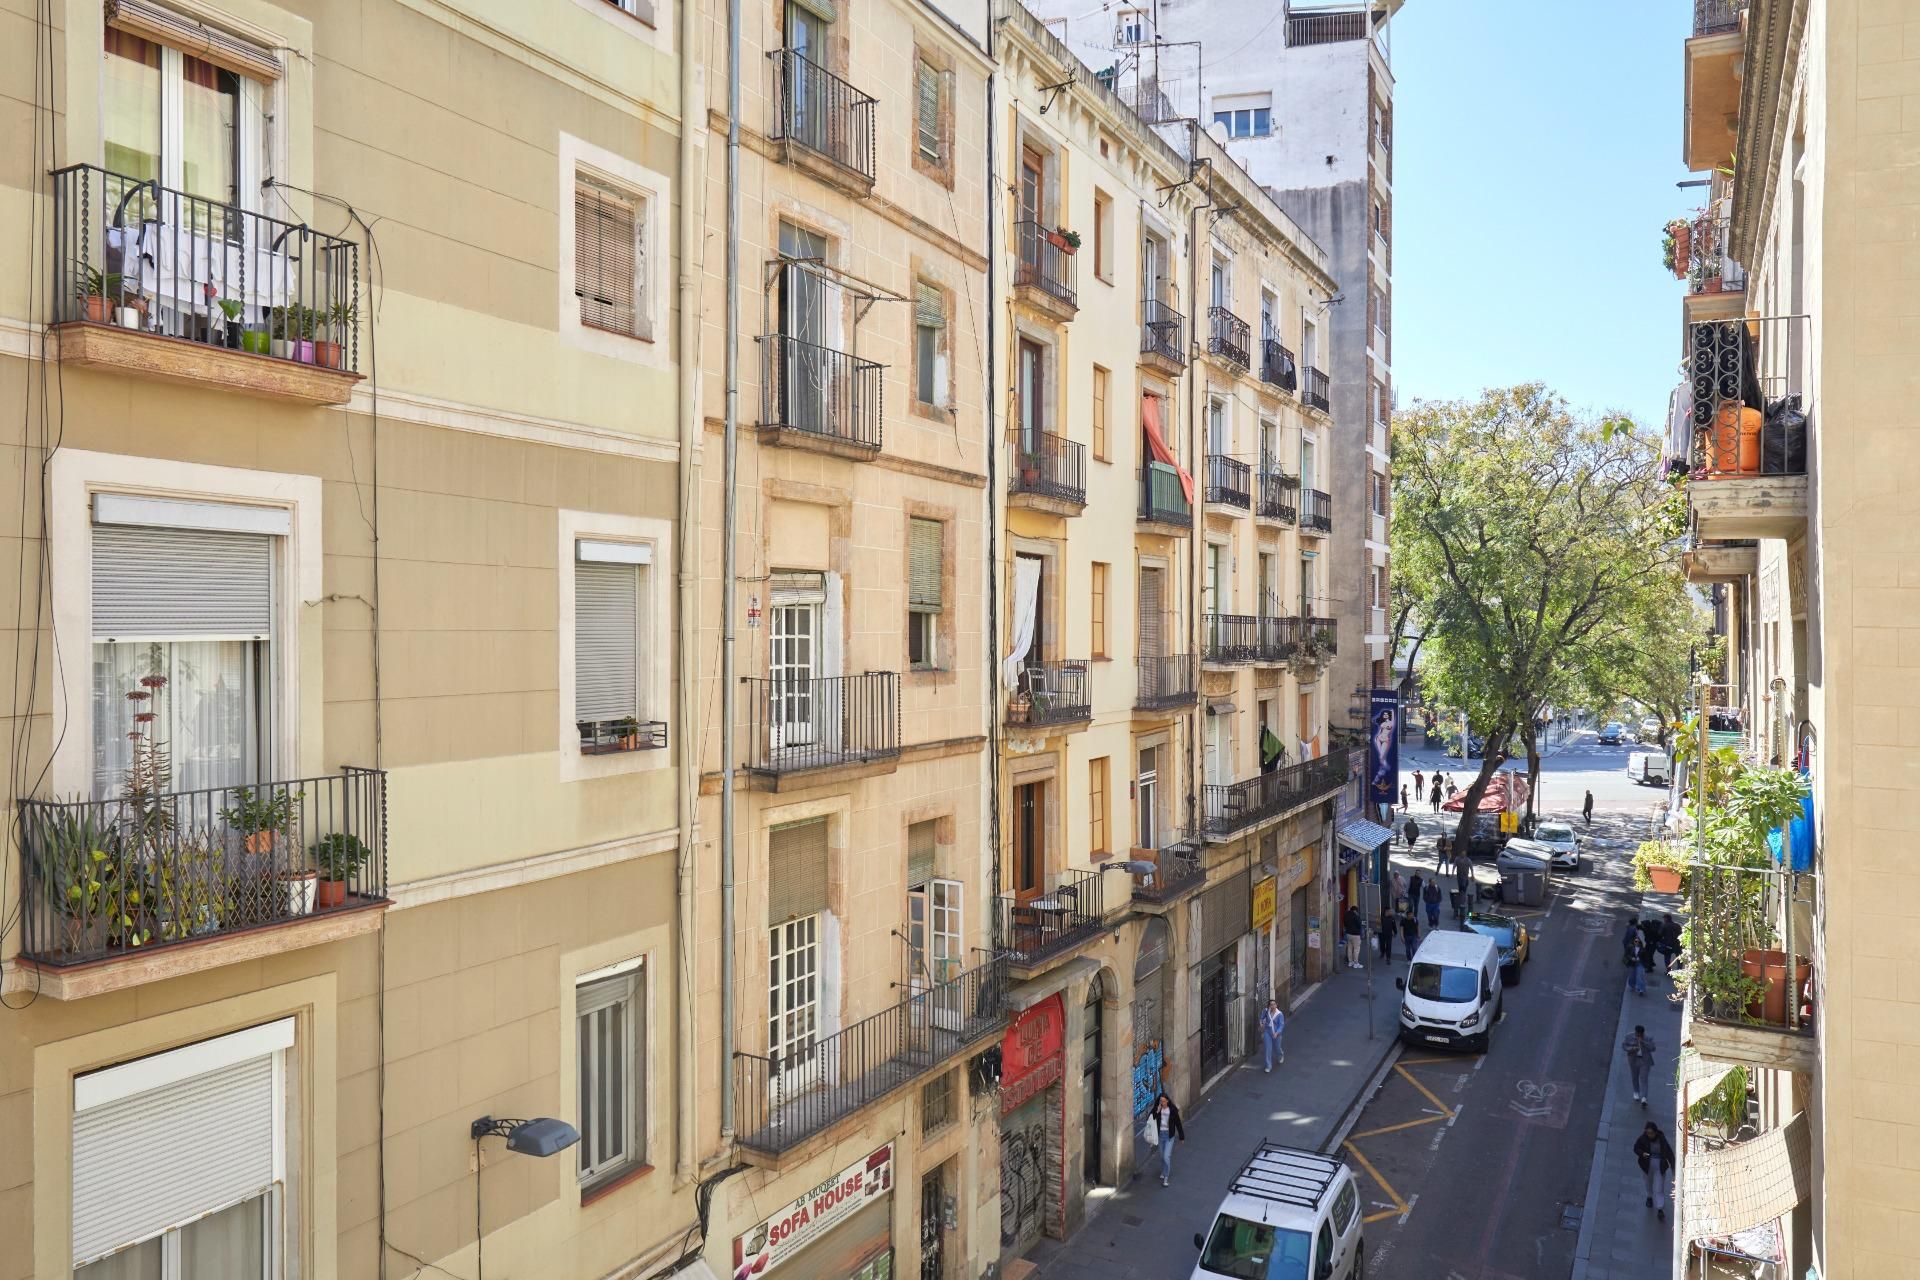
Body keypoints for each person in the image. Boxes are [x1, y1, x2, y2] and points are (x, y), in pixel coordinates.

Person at [1634, 1122, 1675, 1221]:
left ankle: (1660, 1208)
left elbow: (1669, 1153)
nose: (1650, 1135)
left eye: (1651, 1133)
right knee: (1648, 1183)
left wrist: (1673, 1168)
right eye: (1648, 1133)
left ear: (1655, 1132)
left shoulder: (1662, 1140)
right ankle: (1649, 1197)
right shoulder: (1642, 1139)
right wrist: (1642, 1153)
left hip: (1660, 1166)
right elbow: (1636, 1148)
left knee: (1659, 1187)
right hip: (1647, 1165)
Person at [1147, 1092, 1185, 1187]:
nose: (1162, 1103)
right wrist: (1157, 1111)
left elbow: (1178, 1123)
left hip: (1169, 1136)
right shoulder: (1157, 1109)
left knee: (1166, 1156)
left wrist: (1181, 1136)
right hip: (1160, 1136)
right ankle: (1163, 1171)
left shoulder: (1172, 1110)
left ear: (1167, 1101)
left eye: (1164, 1101)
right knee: (1161, 1156)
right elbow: (1150, 1119)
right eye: (1161, 1101)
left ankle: (1166, 1177)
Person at [1622, 1024, 1657, 1107]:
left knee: (1644, 1079)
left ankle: (1644, 1097)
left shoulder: (1648, 1038)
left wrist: (1643, 1042)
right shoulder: (1629, 1036)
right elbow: (1624, 1046)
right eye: (1637, 1034)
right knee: (1634, 1076)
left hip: (1644, 1061)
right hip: (1633, 1059)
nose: (1638, 1036)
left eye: (1640, 1035)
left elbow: (1653, 1048)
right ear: (1635, 1032)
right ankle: (1636, 1092)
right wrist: (1632, 1048)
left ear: (1643, 1033)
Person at [1261, 1000, 1286, 1071]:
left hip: (1276, 1034)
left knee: (1277, 1048)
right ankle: (1268, 1066)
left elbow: (1281, 1025)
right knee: (1268, 1049)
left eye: (1274, 1004)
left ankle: (1280, 1055)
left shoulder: (1279, 1014)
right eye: (1271, 1005)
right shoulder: (1266, 1011)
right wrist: (1261, 1023)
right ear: (1269, 1006)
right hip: (1267, 1032)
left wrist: (1277, 1033)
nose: (1273, 1006)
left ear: (1276, 1005)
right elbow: (1262, 1018)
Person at [1625, 924, 1648, 996]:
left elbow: (1645, 957)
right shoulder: (1630, 947)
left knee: (1639, 976)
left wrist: (1639, 958)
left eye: (1637, 942)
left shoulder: (1643, 950)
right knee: (1632, 975)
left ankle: (1641, 989)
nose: (1636, 943)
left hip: (1640, 963)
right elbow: (1627, 955)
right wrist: (1631, 958)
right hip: (1632, 963)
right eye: (1635, 941)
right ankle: (1632, 985)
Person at [1343, 903, 1364, 970]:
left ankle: (1350, 962)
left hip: (1348, 934)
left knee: (1349, 948)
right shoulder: (1356, 916)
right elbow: (1359, 924)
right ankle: (1356, 963)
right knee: (1356, 949)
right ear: (1355, 911)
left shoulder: (1346, 915)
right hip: (1356, 935)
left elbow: (1345, 923)